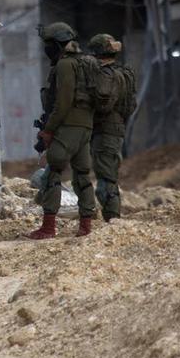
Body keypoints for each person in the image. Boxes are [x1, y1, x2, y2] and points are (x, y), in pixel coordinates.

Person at [28, 22, 97, 239]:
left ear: (57, 44)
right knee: (82, 175)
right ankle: (85, 227)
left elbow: (63, 102)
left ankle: (48, 228)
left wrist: (48, 130)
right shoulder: (86, 63)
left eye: (48, 44)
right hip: (85, 127)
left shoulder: (65, 65)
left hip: (68, 126)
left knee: (52, 172)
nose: (46, 48)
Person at [87, 33, 137, 222]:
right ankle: (113, 218)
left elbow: (103, 104)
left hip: (105, 130)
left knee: (106, 178)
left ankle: (112, 218)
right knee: (108, 175)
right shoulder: (123, 73)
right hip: (116, 129)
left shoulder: (106, 75)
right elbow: (130, 106)